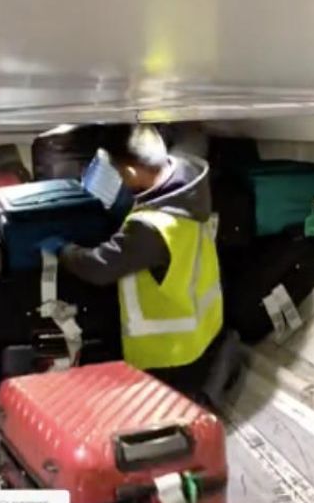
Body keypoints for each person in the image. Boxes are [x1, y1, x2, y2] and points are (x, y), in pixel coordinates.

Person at [54, 124, 225, 402]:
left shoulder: (152, 227)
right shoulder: (186, 184)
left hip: (170, 354)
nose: (121, 180)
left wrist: (62, 249)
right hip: (204, 330)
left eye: (120, 173)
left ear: (131, 172)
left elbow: (99, 267)